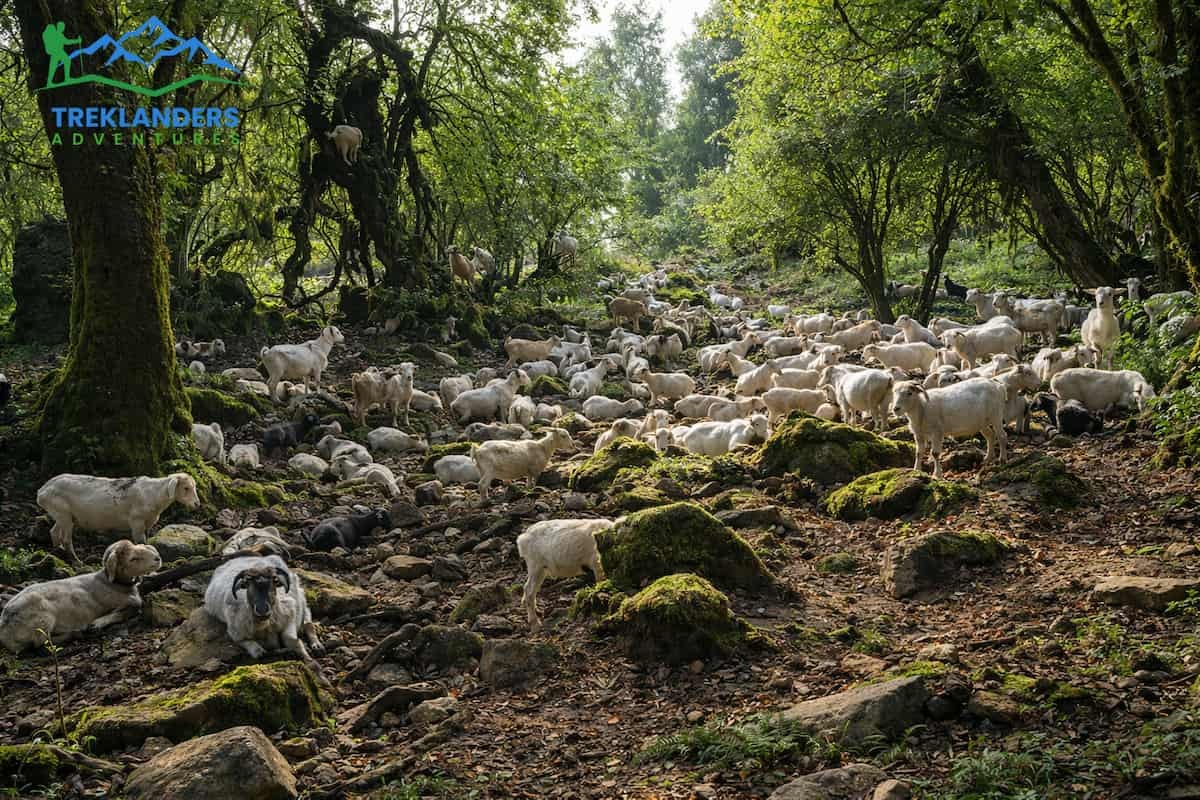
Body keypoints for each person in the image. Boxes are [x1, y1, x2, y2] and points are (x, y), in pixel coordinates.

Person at [43, 22, 81, 86]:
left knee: (61, 63)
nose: (63, 28)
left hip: (58, 52)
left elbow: (67, 42)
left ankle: (64, 79)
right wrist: (77, 41)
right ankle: (52, 81)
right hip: (57, 52)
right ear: (60, 27)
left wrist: (77, 41)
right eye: (62, 27)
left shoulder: (58, 34)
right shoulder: (58, 35)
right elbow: (68, 42)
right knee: (55, 66)